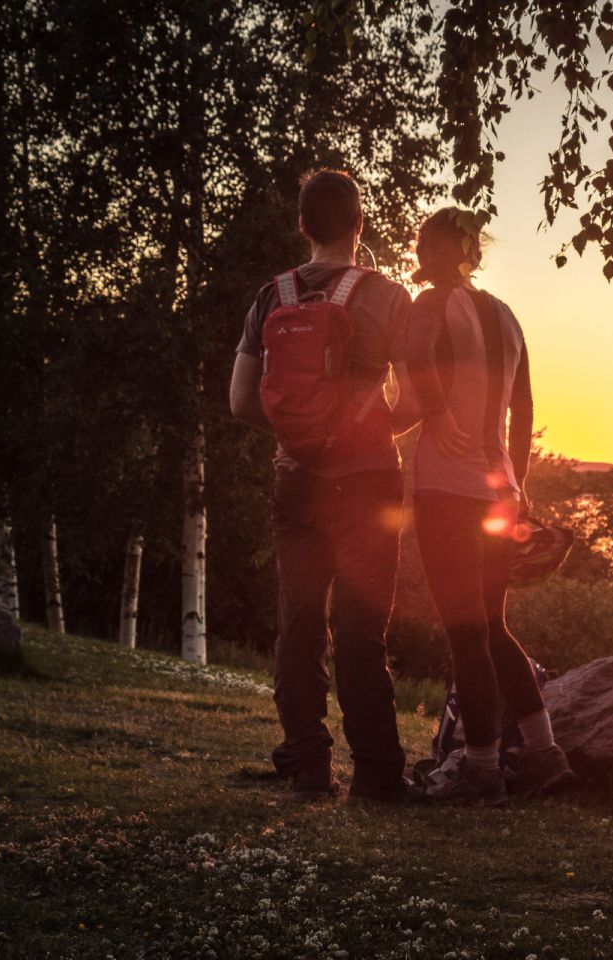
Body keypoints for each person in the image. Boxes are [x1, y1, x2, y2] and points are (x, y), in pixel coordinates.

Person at [228, 169, 411, 802]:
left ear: (303, 226)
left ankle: (309, 769)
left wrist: (299, 436)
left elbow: (240, 400)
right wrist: (372, 426)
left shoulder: (270, 297)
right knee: (363, 629)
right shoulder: (387, 297)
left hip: (295, 481)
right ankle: (378, 776)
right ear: (358, 224)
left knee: (300, 625)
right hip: (368, 483)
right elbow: (414, 397)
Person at [402, 206, 575, 805]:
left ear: (434, 253)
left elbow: (416, 359)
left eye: (423, 247)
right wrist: (518, 479)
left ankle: (479, 768)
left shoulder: (429, 305)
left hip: (446, 486)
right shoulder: (507, 316)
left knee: (465, 629)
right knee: (492, 625)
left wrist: (438, 412)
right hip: (499, 486)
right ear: (473, 253)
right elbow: (524, 408)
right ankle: (546, 753)